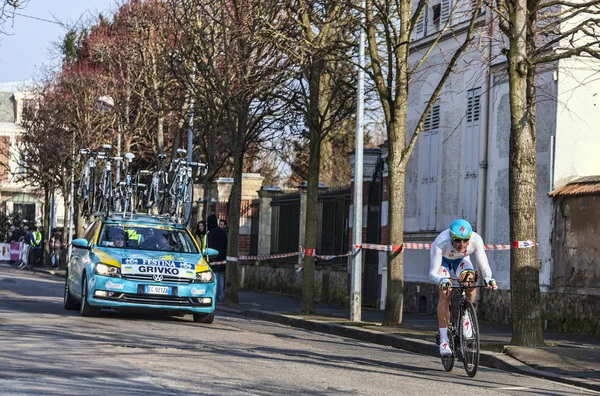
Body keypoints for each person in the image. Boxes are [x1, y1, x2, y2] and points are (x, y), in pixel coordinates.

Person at [429, 219, 497, 357]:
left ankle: (466, 316)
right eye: (458, 241)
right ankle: (444, 340)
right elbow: (432, 273)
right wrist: (441, 280)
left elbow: (484, 266)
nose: (462, 244)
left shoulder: (476, 240)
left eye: (465, 240)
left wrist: (489, 278)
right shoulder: (441, 242)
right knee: (445, 292)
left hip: (461, 260)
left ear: (470, 238)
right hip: (443, 261)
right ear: (451, 238)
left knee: (470, 281)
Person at [207, 214, 228, 302]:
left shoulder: (210, 233)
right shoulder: (223, 232)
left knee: (215, 277)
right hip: (223, 257)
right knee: (221, 277)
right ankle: (221, 296)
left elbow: (209, 247)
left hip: (214, 257)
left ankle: (215, 296)